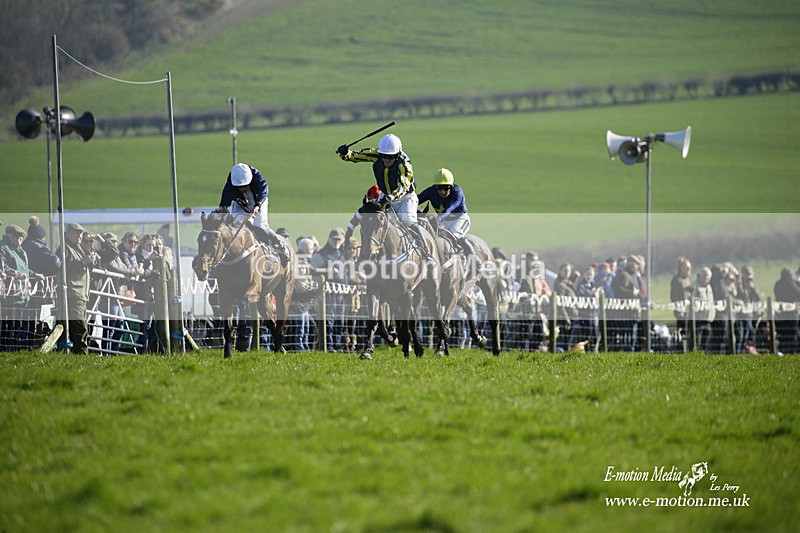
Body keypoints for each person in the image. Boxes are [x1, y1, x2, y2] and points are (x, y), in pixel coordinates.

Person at [336, 133, 433, 260]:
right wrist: (345, 154)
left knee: (408, 220)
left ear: (397, 155)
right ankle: (369, 255)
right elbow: (357, 156)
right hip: (386, 196)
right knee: (374, 222)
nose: (387, 160)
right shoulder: (377, 155)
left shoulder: (404, 164)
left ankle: (426, 253)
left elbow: (403, 185)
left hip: (405, 198)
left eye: (391, 158)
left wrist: (391, 197)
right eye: (384, 157)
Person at [219, 162, 289, 265]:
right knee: (234, 226)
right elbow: (225, 201)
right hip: (241, 203)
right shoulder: (230, 184)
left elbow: (264, 190)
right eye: (240, 187)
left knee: (260, 225)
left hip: (259, 201)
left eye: (246, 185)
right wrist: (222, 210)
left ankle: (279, 246)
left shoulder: (257, 177)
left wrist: (258, 205)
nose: (243, 188)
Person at [416, 168, 475, 260]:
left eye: (446, 188)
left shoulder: (457, 192)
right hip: (443, 221)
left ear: (451, 186)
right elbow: (416, 200)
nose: (443, 192)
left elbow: (450, 208)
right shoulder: (431, 191)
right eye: (439, 188)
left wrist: (439, 218)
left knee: (455, 236)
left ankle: (475, 261)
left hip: (459, 219)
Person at [55, 222, 94, 354]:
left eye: (81, 233)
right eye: (76, 233)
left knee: (80, 329)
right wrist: (82, 262)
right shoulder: (64, 248)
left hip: (80, 294)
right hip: (72, 294)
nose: (80, 236)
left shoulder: (78, 248)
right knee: (79, 329)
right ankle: (81, 358)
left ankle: (77, 357)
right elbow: (62, 268)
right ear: (68, 234)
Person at [0, 224, 36, 350]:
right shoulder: (3, 248)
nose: (19, 239)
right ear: (9, 235)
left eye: (21, 237)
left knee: (18, 325)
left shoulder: (21, 252)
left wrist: (35, 275)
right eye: (16, 236)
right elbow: (3, 267)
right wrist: (13, 273)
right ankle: (6, 350)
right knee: (8, 324)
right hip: (10, 294)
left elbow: (25, 270)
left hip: (22, 294)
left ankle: (15, 349)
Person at [311, 228, 347, 351]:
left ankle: (336, 347)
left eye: (339, 239)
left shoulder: (342, 254)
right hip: (327, 294)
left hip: (341, 294)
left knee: (339, 323)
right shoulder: (321, 255)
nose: (336, 241)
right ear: (329, 239)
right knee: (329, 322)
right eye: (334, 238)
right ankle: (329, 347)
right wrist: (327, 271)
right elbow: (311, 271)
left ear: (342, 240)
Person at [735, 264, 762, 353]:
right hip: (740, 314)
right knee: (740, 336)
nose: (749, 276)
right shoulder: (739, 284)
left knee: (746, 336)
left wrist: (753, 287)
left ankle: (743, 354)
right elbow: (742, 295)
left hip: (748, 314)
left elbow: (758, 298)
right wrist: (744, 286)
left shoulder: (752, 285)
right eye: (748, 274)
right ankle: (737, 355)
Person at [773, 267, 800, 354]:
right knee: (792, 335)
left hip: (780, 314)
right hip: (791, 314)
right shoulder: (790, 284)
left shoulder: (777, 284)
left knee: (782, 335)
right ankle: (791, 352)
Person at [691, 266, 716, 352]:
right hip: (698, 319)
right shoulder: (694, 286)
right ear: (701, 276)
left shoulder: (709, 287)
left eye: (708, 277)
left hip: (708, 318)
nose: (706, 278)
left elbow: (711, 301)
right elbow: (691, 302)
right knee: (697, 340)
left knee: (706, 340)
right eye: (705, 276)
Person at [670, 257, 693, 344]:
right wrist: (679, 311)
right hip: (681, 312)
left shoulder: (687, 280)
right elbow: (674, 297)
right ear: (682, 268)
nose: (689, 270)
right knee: (683, 334)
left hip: (689, 311)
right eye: (687, 268)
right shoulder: (676, 280)